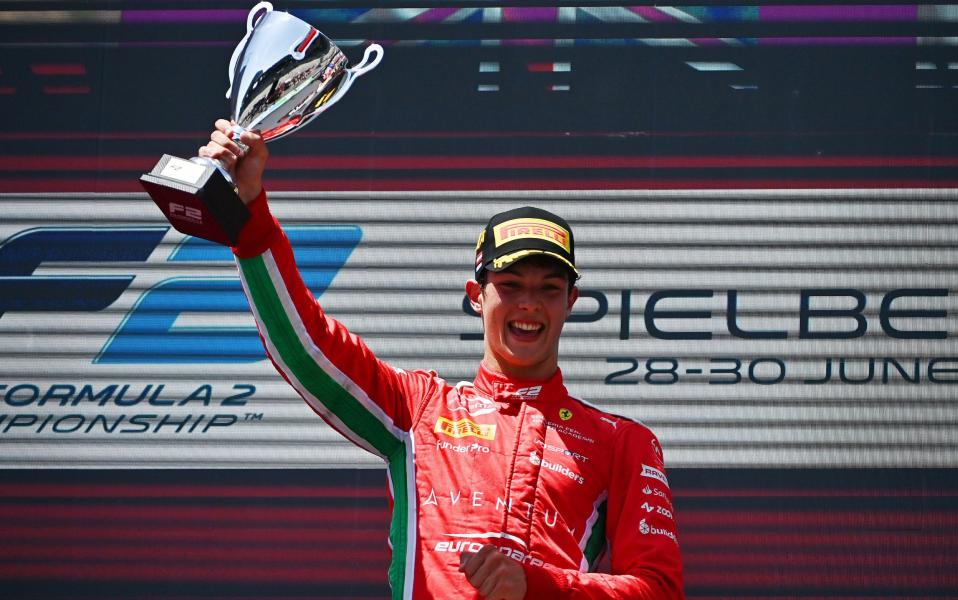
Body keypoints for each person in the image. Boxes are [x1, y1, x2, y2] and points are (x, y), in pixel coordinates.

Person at [202, 119, 684, 599]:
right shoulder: (417, 410)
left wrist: (539, 585)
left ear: (571, 302)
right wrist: (249, 215)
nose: (529, 305)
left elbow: (660, 590)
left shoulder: (623, 443)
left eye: (548, 290)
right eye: (510, 287)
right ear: (476, 296)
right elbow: (306, 347)